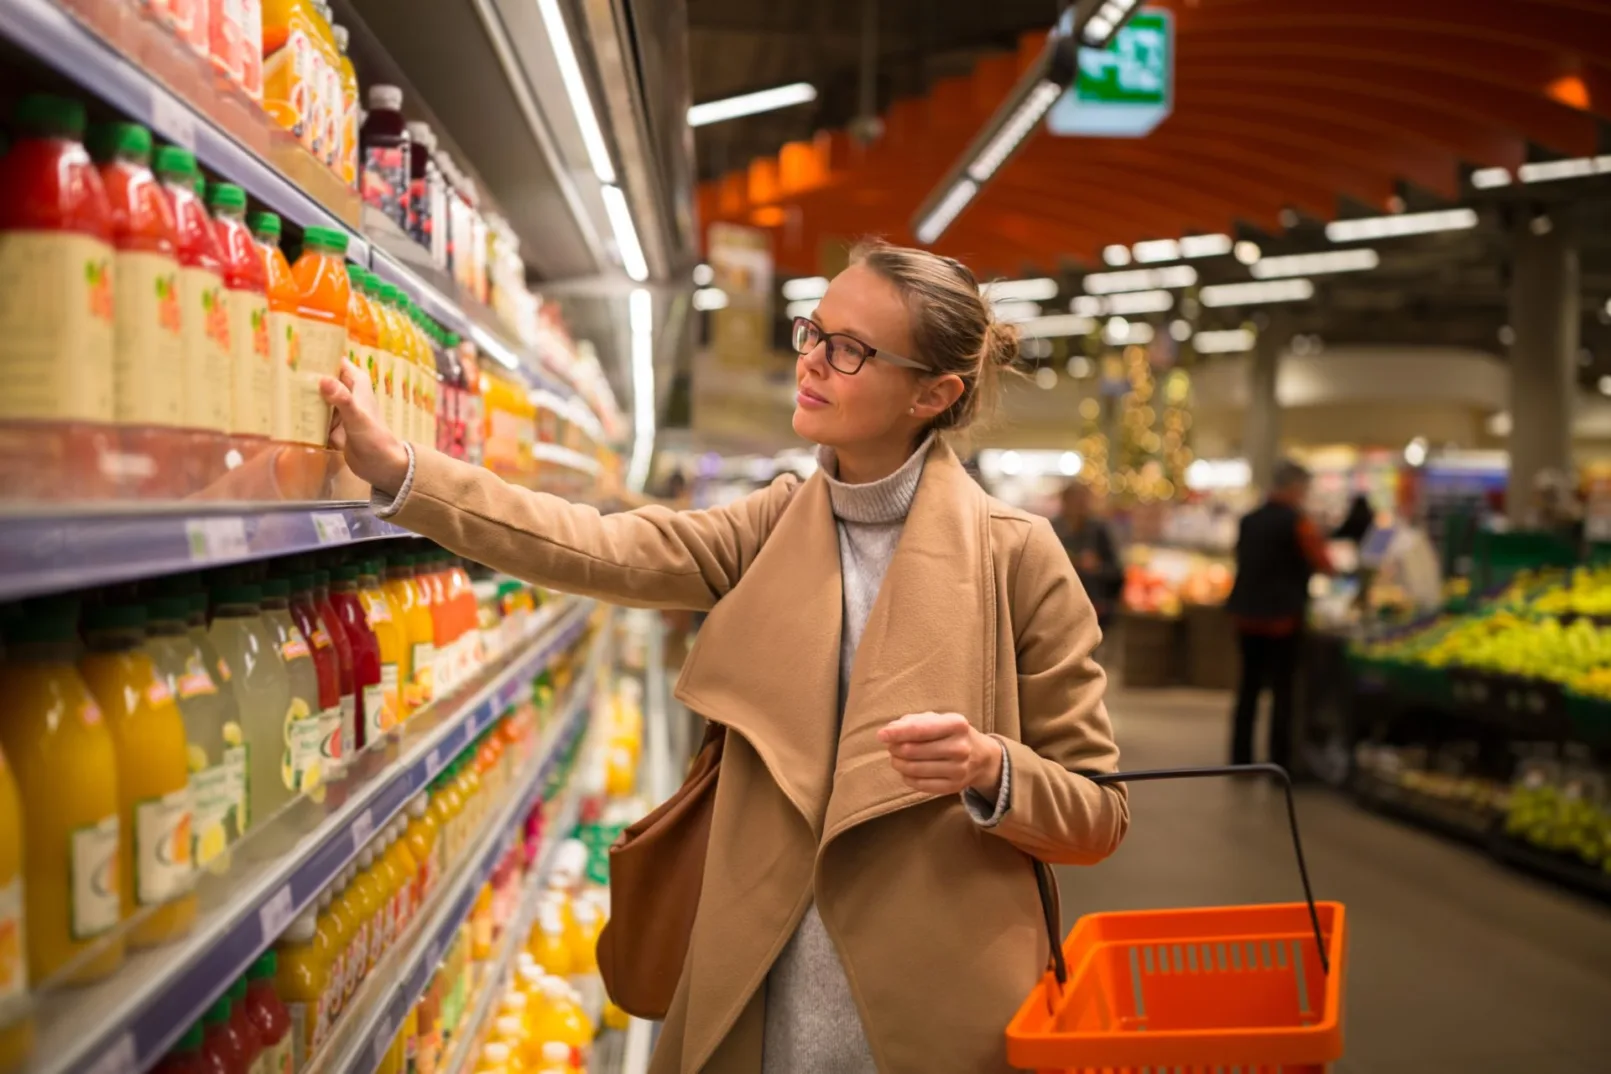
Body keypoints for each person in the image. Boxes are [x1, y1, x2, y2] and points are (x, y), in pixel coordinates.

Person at [320, 241, 1128, 1073]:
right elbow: (593, 544)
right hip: (759, 978)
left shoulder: (1017, 558)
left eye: (849, 349)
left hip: (934, 1000)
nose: (811, 360)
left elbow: (1098, 812)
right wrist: (406, 473)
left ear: (934, 392)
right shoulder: (775, 526)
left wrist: (989, 767)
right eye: (812, 331)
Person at [1224, 460, 1332, 770]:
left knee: (1248, 689)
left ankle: (1240, 759)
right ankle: (1278, 761)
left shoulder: (1249, 520)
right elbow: (1323, 562)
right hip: (1283, 619)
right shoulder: (1299, 523)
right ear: (1295, 488)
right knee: (1284, 693)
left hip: (1245, 615)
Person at [1052, 482, 1122, 630]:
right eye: (1075, 501)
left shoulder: (1099, 531)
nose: (1079, 507)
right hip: (1059, 609)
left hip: (1095, 610)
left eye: (1082, 501)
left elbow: (1116, 572)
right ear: (1064, 502)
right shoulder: (1051, 529)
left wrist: (1097, 567)